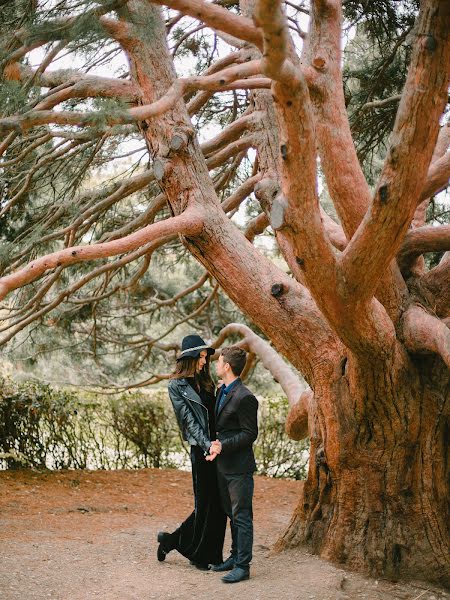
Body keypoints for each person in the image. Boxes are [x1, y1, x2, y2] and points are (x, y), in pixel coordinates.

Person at [156, 334, 227, 570]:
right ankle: (202, 556)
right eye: (202, 357)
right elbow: (188, 421)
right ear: (192, 357)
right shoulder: (177, 386)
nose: (204, 362)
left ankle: (172, 541)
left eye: (206, 358)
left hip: (216, 448)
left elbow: (214, 414)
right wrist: (207, 445)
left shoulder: (207, 382)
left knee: (217, 505)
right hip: (201, 451)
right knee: (207, 504)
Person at [208, 346, 258, 584]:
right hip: (223, 465)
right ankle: (233, 556)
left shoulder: (246, 397)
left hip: (239, 466)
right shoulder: (222, 390)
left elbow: (250, 434)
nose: (216, 365)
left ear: (227, 366)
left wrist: (223, 446)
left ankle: (242, 566)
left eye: (219, 362)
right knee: (231, 513)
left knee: (242, 516)